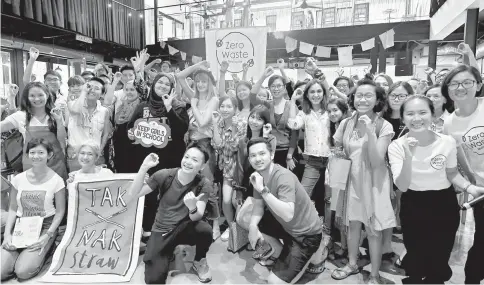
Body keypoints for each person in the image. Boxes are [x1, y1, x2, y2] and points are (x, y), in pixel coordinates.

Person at [388, 95, 484, 284]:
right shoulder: (397, 146)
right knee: (415, 252)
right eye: (410, 114)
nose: (417, 118)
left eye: (423, 112)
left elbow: (452, 173)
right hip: (413, 204)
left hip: (444, 204)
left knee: (440, 252)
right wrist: (409, 156)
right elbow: (402, 185)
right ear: (403, 118)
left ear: (433, 115)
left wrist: (470, 187)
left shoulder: (446, 141)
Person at [331, 79, 396, 284]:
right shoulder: (346, 122)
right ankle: (351, 263)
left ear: (377, 100)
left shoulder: (384, 125)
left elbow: (377, 161)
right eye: (359, 95)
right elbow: (338, 146)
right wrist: (338, 155)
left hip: (374, 183)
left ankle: (375, 274)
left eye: (369, 96)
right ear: (352, 98)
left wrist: (369, 130)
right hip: (351, 181)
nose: (363, 99)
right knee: (352, 225)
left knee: (373, 229)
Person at [121, 142, 214, 284]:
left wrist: (192, 207)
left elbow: (197, 215)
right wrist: (144, 167)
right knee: (153, 279)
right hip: (161, 230)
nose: (188, 162)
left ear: (202, 166)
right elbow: (134, 194)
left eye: (195, 160)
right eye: (186, 157)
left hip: (184, 227)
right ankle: (166, 253)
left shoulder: (203, 183)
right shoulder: (165, 175)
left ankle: (199, 260)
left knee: (205, 230)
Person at [244, 137, 326, 283]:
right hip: (287, 228)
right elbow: (258, 208)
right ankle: (283, 254)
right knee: (244, 216)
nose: (257, 159)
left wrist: (263, 190)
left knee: (274, 282)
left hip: (306, 236)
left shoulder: (283, 176)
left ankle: (315, 254)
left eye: (262, 154)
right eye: (253, 155)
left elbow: (288, 214)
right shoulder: (258, 176)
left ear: (272, 155)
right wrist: (252, 226)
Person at [127, 72, 189, 239]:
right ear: (153, 85)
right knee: (149, 194)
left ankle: (171, 228)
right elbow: (130, 128)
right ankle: (148, 228)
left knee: (169, 193)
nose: (163, 86)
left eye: (167, 84)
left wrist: (169, 108)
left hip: (171, 158)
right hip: (148, 158)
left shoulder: (178, 106)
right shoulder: (142, 107)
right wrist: (131, 134)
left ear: (172, 88)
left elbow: (181, 129)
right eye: (159, 82)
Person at [442, 65, 484, 284]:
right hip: (481, 190)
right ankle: (473, 280)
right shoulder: (449, 123)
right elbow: (460, 157)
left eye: (467, 82)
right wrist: (472, 181)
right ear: (448, 89)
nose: (461, 87)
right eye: (455, 83)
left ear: (478, 85)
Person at [1, 139, 66, 281]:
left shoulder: (57, 180)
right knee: (1, 272)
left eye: (41, 152)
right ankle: (18, 256)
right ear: (28, 155)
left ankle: (46, 250)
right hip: (20, 225)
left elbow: (60, 211)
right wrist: (7, 235)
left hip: (45, 226)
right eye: (32, 152)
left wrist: (47, 235)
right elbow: (13, 208)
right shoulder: (18, 179)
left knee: (23, 272)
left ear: (49, 155)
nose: (36, 156)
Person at [1, 82, 67, 179]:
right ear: (27, 97)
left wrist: (59, 120)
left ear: (47, 95)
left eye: (40, 95)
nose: (37, 99)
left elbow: (62, 140)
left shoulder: (55, 114)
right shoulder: (21, 116)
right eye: (32, 96)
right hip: (32, 167)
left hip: (57, 166)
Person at [287, 79, 331, 216]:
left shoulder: (330, 110)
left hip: (332, 160)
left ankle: (328, 232)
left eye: (319, 91)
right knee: (302, 195)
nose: (316, 95)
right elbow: (293, 124)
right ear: (307, 95)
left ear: (324, 93)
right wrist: (293, 100)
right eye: (312, 92)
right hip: (313, 160)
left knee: (329, 198)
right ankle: (307, 226)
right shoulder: (304, 113)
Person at [211, 95, 247, 244]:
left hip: (240, 170)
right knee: (225, 201)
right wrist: (214, 125)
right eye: (222, 106)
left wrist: (232, 128)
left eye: (229, 106)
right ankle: (231, 226)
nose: (225, 110)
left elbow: (234, 146)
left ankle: (242, 228)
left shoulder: (242, 124)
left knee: (236, 201)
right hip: (226, 169)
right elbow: (217, 145)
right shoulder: (219, 123)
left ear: (235, 109)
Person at [66, 77, 111, 172]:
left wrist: (99, 151)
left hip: (96, 156)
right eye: (89, 87)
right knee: (76, 184)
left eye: (97, 88)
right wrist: (83, 92)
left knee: (95, 184)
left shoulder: (104, 111)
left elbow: (106, 133)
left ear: (102, 94)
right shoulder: (72, 103)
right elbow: (75, 111)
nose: (92, 90)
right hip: (76, 156)